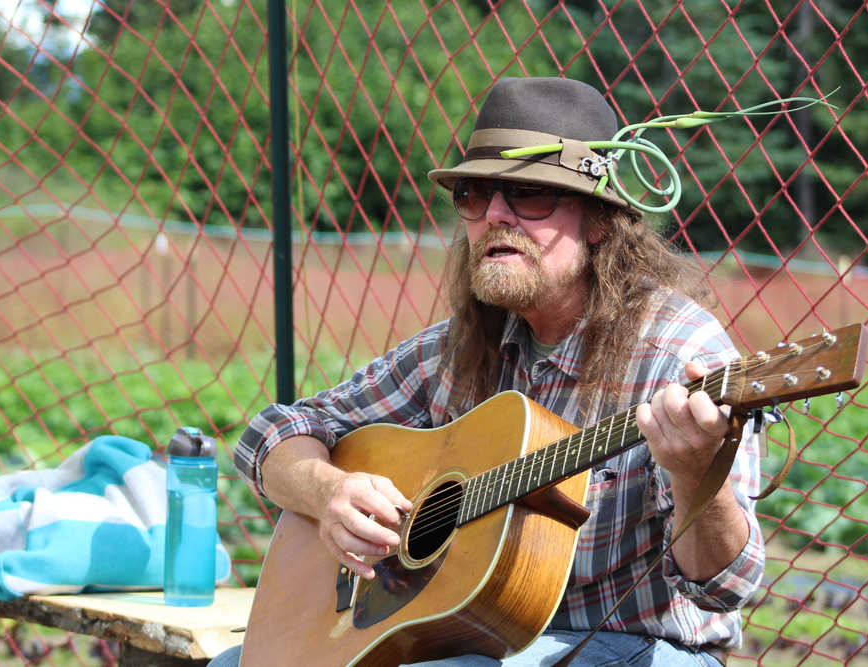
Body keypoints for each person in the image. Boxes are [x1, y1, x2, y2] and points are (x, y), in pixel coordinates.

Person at [212, 77, 763, 666]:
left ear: (601, 221)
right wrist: (330, 493)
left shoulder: (678, 354)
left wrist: (694, 474)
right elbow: (268, 436)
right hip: (474, 637)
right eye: (477, 194)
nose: (495, 215)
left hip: (643, 645)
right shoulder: (462, 347)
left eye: (529, 194)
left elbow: (723, 585)